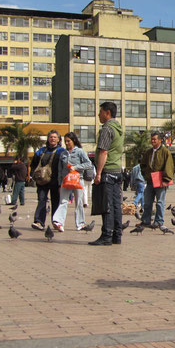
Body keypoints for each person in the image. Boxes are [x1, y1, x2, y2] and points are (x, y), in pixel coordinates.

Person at [89, 102, 124, 246]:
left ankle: (106, 235)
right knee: (116, 205)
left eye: (100, 112)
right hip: (117, 171)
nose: (99, 115)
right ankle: (117, 235)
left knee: (107, 205)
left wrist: (98, 173)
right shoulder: (119, 129)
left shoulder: (107, 129)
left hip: (108, 171)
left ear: (107, 113)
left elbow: (103, 151)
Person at [52, 132, 92, 232]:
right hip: (66, 180)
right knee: (63, 201)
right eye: (65, 141)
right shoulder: (63, 153)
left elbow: (88, 164)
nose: (67, 143)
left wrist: (76, 167)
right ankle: (59, 222)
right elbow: (60, 169)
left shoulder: (80, 152)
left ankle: (80, 223)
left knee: (79, 202)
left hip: (78, 180)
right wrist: (60, 183)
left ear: (73, 141)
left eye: (68, 141)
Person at [30, 130, 66, 230]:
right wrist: (33, 174)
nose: (53, 139)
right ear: (48, 139)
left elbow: (65, 166)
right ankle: (39, 221)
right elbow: (33, 163)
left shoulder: (62, 151)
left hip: (56, 182)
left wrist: (62, 181)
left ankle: (56, 222)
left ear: (58, 139)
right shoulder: (41, 151)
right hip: (42, 181)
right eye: (51, 137)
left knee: (56, 201)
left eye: (55, 137)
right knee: (41, 200)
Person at [139, 131, 174, 229]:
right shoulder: (148, 152)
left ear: (160, 140)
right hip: (150, 181)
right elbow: (143, 165)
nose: (152, 141)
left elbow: (169, 166)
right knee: (147, 202)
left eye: (155, 139)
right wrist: (145, 174)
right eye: (152, 139)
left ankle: (158, 221)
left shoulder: (165, 152)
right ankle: (146, 221)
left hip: (160, 182)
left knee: (160, 202)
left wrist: (166, 180)